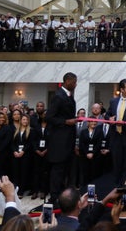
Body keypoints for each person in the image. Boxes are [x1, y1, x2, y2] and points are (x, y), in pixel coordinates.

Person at [46, 71, 78, 206]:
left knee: (66, 170)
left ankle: (64, 195)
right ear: (68, 81)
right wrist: (66, 122)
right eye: (74, 82)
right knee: (58, 170)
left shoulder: (68, 96)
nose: (76, 84)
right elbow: (49, 117)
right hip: (59, 141)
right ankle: (54, 197)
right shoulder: (58, 96)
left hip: (68, 140)